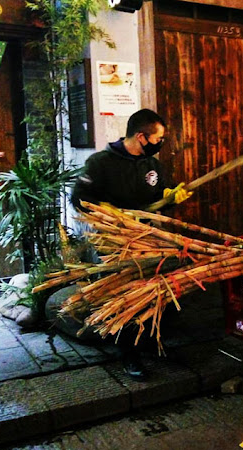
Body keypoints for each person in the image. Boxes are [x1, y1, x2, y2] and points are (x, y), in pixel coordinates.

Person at [71, 108, 192, 380]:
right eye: (158, 138)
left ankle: (150, 343)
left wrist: (171, 196)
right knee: (124, 294)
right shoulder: (100, 163)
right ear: (141, 136)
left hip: (148, 240)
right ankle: (128, 354)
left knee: (152, 291)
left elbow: (160, 193)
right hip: (114, 243)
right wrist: (104, 210)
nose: (160, 143)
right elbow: (79, 197)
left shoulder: (152, 166)